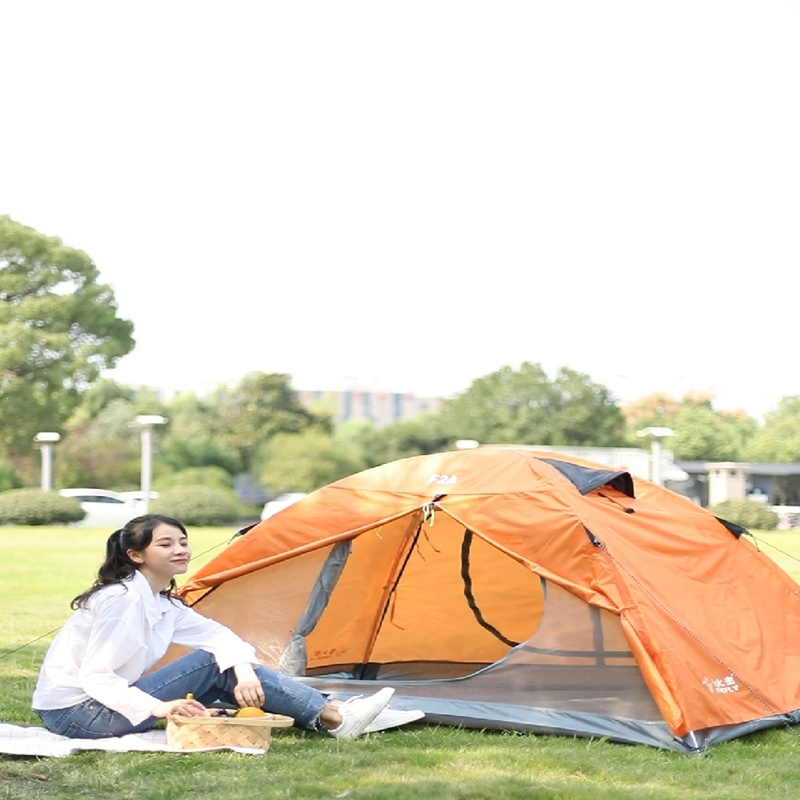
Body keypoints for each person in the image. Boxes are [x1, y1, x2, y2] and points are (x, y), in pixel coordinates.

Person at [32, 514, 411, 740]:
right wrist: (161, 707)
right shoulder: (121, 600)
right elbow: (96, 677)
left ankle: (334, 714)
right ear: (135, 555)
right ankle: (336, 716)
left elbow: (219, 636)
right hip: (78, 715)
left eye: (183, 542)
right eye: (165, 544)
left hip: (96, 707)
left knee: (225, 666)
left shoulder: (161, 601)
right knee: (210, 665)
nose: (180, 549)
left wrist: (243, 671)